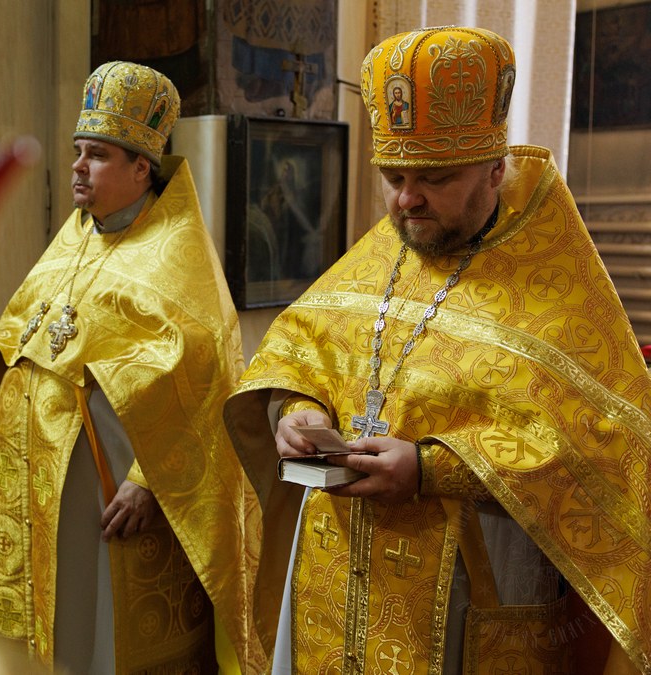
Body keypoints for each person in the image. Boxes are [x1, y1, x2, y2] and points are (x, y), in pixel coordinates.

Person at [224, 26, 650, 674]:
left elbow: (601, 451)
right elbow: (302, 346)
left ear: (496, 169)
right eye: (393, 176)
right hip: (334, 579)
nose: (406, 199)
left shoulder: (556, 282)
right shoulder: (385, 248)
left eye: (435, 177)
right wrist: (298, 409)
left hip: (468, 595)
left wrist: (431, 469)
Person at [0, 61, 261, 673]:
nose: (79, 166)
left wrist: (149, 479)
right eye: (78, 151)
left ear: (141, 168)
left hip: (107, 496)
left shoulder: (177, 257)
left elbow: (209, 381)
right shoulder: (78, 236)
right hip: (39, 482)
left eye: (98, 155)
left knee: (96, 630)